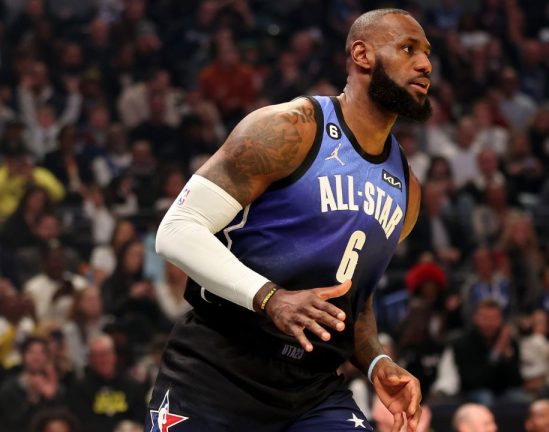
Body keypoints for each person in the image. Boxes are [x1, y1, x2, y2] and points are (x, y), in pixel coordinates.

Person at [149, 8, 429, 432]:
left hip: (311, 392)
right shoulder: (289, 129)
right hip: (218, 369)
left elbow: (357, 302)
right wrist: (270, 297)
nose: (425, 63)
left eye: (427, 53)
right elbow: (177, 230)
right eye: (409, 49)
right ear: (362, 54)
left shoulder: (406, 190)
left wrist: (375, 361)